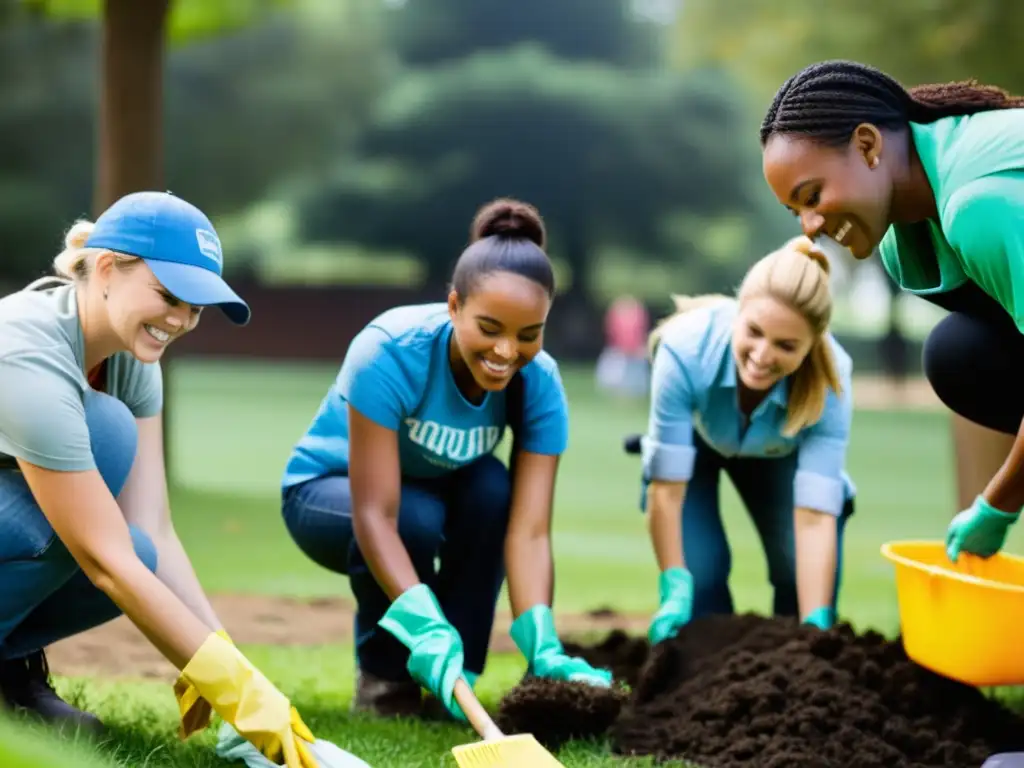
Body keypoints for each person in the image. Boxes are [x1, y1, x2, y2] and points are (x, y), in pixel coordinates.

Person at [0, 191, 320, 768]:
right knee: (109, 434)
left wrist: (232, 664)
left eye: (197, 306)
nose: (181, 320)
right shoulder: (24, 348)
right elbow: (104, 561)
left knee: (143, 550)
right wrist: (236, 694)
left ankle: (7, 679)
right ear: (105, 269)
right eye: (169, 295)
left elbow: (153, 530)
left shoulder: (130, 357)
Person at [280, 198, 611, 721]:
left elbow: (528, 531)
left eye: (529, 335)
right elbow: (376, 515)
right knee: (414, 518)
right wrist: (424, 622)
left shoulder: (540, 382)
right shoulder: (389, 351)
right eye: (490, 327)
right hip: (329, 494)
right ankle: (385, 680)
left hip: (434, 490)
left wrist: (541, 638)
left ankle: (458, 683)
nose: (507, 351)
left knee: (492, 489)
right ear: (454, 306)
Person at [759, 59, 1024, 564]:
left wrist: (997, 507)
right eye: (796, 212)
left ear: (867, 145)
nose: (809, 227)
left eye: (812, 196)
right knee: (957, 355)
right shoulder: (911, 241)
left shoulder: (978, 205)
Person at [636, 235, 855, 645]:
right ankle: (704, 670)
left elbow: (814, 517)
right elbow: (667, 492)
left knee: (796, 568)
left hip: (778, 454)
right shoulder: (684, 349)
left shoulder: (832, 381)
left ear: (813, 345)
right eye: (753, 331)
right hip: (697, 446)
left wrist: (816, 627)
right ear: (738, 313)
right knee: (701, 574)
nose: (762, 354)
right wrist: (673, 586)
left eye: (786, 345)